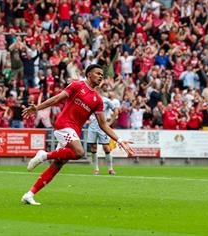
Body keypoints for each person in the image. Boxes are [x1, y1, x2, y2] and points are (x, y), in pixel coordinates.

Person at [21, 64, 134, 205]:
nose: (100, 76)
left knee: (58, 164)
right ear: (88, 75)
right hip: (63, 124)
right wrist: (37, 108)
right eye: (98, 73)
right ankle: (43, 155)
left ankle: (29, 194)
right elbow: (57, 98)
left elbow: (103, 124)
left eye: (102, 75)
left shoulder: (98, 100)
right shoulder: (77, 85)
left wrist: (119, 139)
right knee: (79, 152)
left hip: (74, 131)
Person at [88, 93, 118, 175]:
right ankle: (96, 169)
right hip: (92, 127)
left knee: (106, 148)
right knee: (93, 148)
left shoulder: (106, 100)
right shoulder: (89, 99)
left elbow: (116, 110)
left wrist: (110, 122)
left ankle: (110, 168)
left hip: (103, 128)